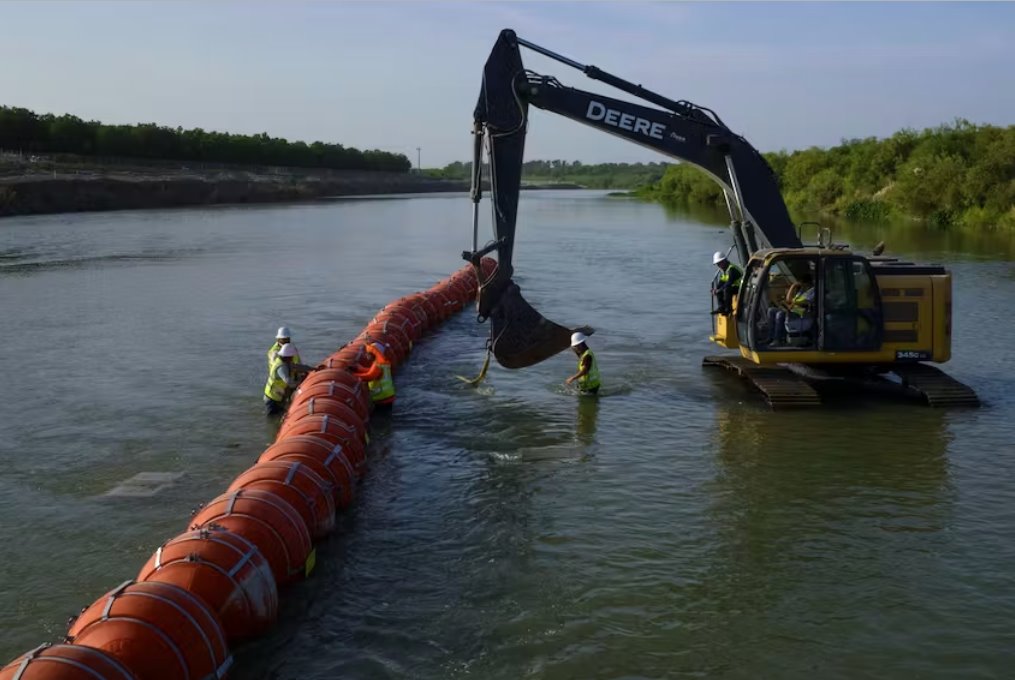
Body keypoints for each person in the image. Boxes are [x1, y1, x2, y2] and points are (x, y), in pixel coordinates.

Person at [263, 343, 316, 416]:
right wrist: (300, 383)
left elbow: (296, 367)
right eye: (291, 357)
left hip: (278, 395)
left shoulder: (283, 362)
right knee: (273, 417)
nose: (292, 358)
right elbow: (289, 382)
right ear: (287, 356)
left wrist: (312, 369)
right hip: (272, 398)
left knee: (278, 416)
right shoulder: (281, 367)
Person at [768, 273, 816, 346]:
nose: (800, 285)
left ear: (806, 283)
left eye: (800, 283)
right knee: (771, 310)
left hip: (801, 314)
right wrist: (792, 288)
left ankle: (777, 339)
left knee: (780, 314)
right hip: (792, 310)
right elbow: (788, 300)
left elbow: (805, 302)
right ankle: (770, 337)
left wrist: (793, 302)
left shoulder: (812, 291)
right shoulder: (801, 291)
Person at [350, 342, 396, 409]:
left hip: (383, 398)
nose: (366, 355)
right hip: (386, 396)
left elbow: (370, 376)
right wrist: (358, 369)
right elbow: (370, 371)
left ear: (374, 354)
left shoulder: (378, 365)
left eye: (368, 353)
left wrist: (354, 375)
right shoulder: (381, 364)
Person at [711, 251, 743, 315]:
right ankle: (721, 307)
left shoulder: (732, 269)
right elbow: (721, 282)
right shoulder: (725, 270)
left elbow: (729, 282)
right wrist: (715, 290)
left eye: (719, 263)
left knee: (726, 289)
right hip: (732, 287)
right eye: (717, 264)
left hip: (741, 288)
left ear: (724, 261)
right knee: (719, 288)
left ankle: (728, 308)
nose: (719, 265)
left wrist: (719, 290)